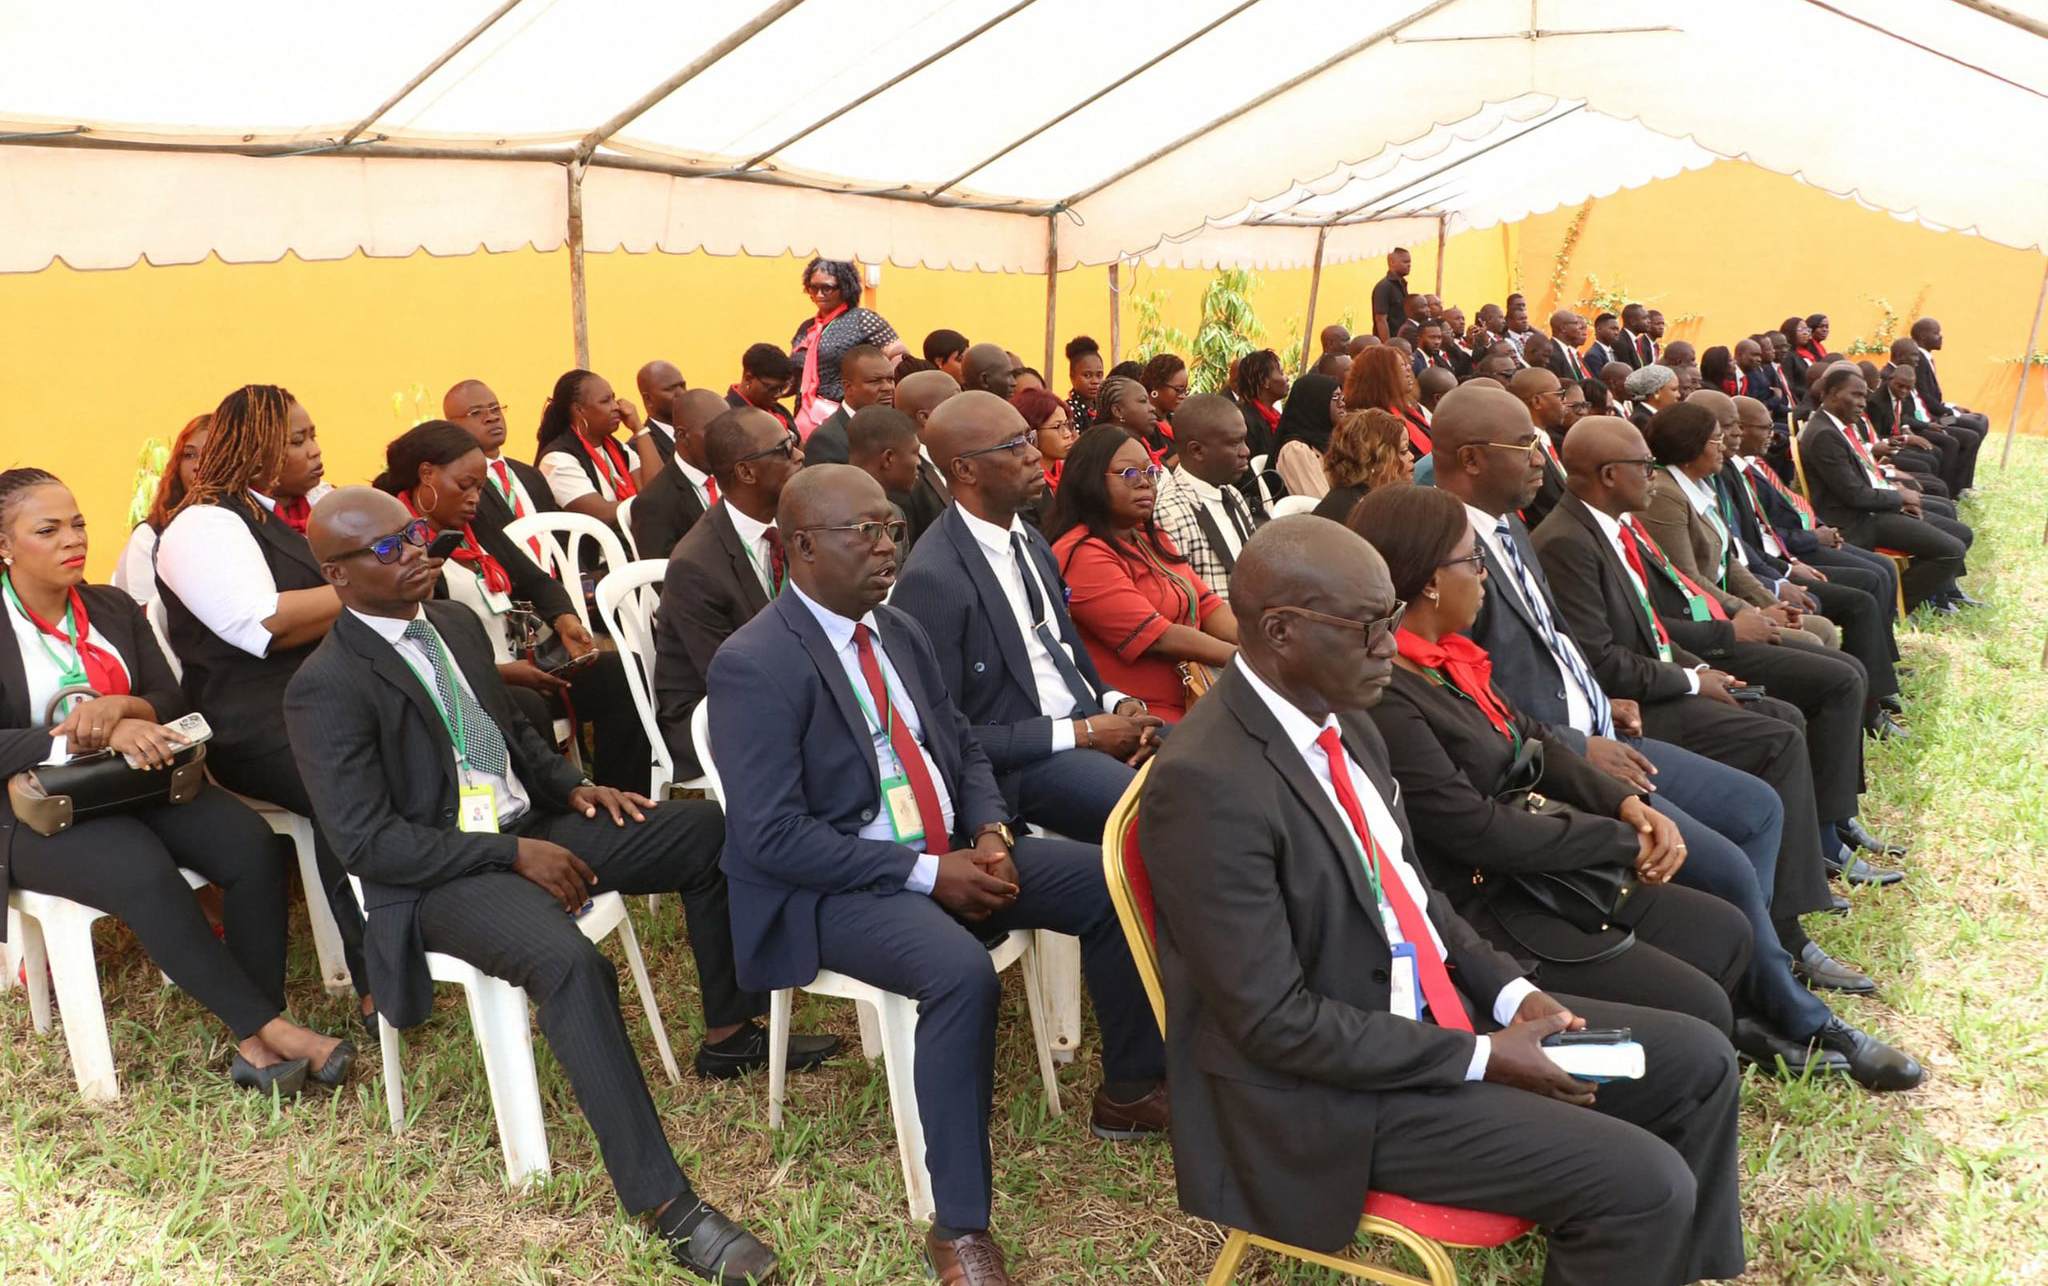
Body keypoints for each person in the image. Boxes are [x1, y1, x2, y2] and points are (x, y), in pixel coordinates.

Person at [1141, 515, 1748, 1286]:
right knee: (1643, 1184)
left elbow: (1415, 896)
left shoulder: (1346, 717)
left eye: (1389, 618)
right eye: (1366, 627)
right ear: (1280, 631)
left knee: (1699, 1061)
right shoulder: (1206, 784)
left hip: (1425, 1018)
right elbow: (1273, 1024)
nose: (1388, 645)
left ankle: (1677, 1270)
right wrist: (1482, 1057)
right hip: (1332, 1096)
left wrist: (1512, 994)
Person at [285, 487, 800, 1285]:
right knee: (569, 963)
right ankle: (667, 1205)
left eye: (415, 533)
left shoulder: (452, 621)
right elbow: (367, 841)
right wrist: (509, 853)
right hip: (437, 875)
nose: (417, 550)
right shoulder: (325, 684)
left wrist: (573, 787)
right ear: (337, 575)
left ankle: (729, 1033)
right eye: (388, 548)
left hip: (529, 825)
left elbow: (511, 732)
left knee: (708, 832)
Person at [707, 465, 1167, 1285]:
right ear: (802, 547)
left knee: (1114, 881)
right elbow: (772, 836)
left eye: (893, 529)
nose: (889, 547)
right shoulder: (754, 662)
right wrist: (926, 872)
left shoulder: (896, 630)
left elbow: (962, 745)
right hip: (837, 885)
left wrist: (989, 831)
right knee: (959, 973)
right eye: (866, 533)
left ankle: (1131, 1090)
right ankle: (959, 1228)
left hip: (950, 846)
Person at [1426, 385, 1909, 1081]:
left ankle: (1768, 959)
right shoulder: (1445, 553)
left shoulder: (1507, 532)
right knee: (1728, 864)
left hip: (1606, 726)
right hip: (1556, 763)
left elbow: (1561, 648)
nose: (1541, 459)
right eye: (1525, 446)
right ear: (1472, 458)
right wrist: (1576, 743)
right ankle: (1793, 1015)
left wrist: (1607, 700)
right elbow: (1475, 698)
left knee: (1756, 806)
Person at [1, 467, 355, 1098]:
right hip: (36, 808)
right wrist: (80, 737)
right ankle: (268, 1032)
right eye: (48, 530)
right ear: (5, 545)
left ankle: (257, 1026)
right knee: (141, 867)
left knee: (248, 845)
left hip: (135, 782)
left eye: (78, 524)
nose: (73, 539)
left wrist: (126, 709)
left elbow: (171, 698)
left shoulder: (110, 606)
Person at [1349, 484, 1754, 1029]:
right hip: (1495, 903)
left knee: (1725, 933)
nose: (1484, 574)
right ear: (1430, 582)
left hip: (1544, 862)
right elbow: (1475, 830)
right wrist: (1620, 840)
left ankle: (1741, 1033)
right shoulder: (1391, 697)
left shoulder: (1449, 660)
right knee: (1700, 1004)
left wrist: (1626, 804)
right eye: (1472, 560)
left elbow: (1531, 736)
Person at [1531, 417, 1907, 993]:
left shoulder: (1610, 526)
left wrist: (1700, 670)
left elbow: (1653, 628)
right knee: (1779, 733)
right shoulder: (1566, 541)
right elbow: (1602, 659)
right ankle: (1784, 931)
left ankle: (1804, 876)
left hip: (1664, 676)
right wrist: (1690, 677)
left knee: (1784, 716)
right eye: (1643, 466)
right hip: (1633, 706)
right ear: (1608, 475)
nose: (1652, 475)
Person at [153, 383, 369, 1016]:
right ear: (255, 451)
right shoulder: (201, 526)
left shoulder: (289, 510)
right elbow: (264, 625)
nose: (314, 449)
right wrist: (374, 582)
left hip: (328, 697)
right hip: (254, 721)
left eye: (313, 435)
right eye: (297, 440)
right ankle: (376, 974)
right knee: (346, 776)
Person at [893, 392, 1162, 841]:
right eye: (1015, 445)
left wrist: (1117, 703)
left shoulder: (1031, 541)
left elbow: (1066, 654)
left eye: (1030, 438)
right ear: (965, 470)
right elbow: (947, 733)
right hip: (1027, 764)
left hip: (1089, 725)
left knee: (1223, 768)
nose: (1035, 454)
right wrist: (1081, 733)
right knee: (1166, 811)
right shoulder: (933, 578)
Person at [375, 420, 653, 792]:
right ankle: (553, 805)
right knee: (524, 703)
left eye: (480, 487)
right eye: (464, 485)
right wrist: (503, 674)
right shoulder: (400, 544)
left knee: (622, 673)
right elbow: (424, 647)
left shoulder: (475, 525)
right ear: (427, 474)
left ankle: (625, 796)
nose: (474, 498)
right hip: (466, 683)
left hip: (525, 664)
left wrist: (567, 622)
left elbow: (535, 580)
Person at [1046, 428, 1236, 725]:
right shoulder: (1082, 553)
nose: (1145, 482)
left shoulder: (1148, 537)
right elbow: (1157, 637)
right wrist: (1244, 659)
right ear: (1089, 479)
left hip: (1195, 695)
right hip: (1140, 715)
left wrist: (1260, 645)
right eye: (1129, 473)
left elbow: (1207, 604)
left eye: (1150, 472)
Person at [653, 408, 804, 777]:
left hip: (785, 683)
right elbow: (728, 676)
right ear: (746, 472)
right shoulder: (695, 566)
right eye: (784, 449)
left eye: (794, 443)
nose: (799, 455)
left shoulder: (793, 521)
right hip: (714, 711)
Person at [1640, 402, 1842, 651]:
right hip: (1702, 620)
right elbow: (1688, 578)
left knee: (1821, 627)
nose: (1723, 447)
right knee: (1811, 641)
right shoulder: (1665, 495)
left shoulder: (1702, 484)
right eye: (1716, 440)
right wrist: (1755, 614)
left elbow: (1729, 561)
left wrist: (1771, 603)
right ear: (1689, 444)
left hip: (1725, 604)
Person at [1799, 365, 1972, 612]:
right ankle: (1896, 605)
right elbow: (1853, 495)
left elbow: (1862, 476)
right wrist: (1898, 497)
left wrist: (1895, 490)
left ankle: (1938, 593)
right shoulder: (1824, 434)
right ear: (1833, 393)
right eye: (1856, 395)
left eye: (1864, 396)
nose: (1863, 403)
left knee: (1961, 532)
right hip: (1855, 521)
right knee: (1952, 550)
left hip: (1871, 508)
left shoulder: (1839, 426)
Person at [1151, 394, 1260, 602]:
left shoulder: (1231, 493)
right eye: (1234, 443)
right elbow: (1183, 602)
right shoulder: (1169, 513)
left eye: (1244, 440)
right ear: (1197, 451)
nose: (1246, 451)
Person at [790, 257, 908, 434]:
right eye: (813, 287)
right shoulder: (806, 328)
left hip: (851, 418)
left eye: (827, 288)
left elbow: (900, 357)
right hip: (806, 417)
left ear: (845, 287)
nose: (819, 294)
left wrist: (884, 393)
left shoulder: (862, 319)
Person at [534, 368, 659, 527]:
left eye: (614, 398)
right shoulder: (557, 460)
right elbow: (602, 514)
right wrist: (651, 502)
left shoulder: (618, 448)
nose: (616, 406)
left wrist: (639, 428)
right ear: (579, 410)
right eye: (605, 401)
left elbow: (657, 487)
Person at [444, 381, 559, 552]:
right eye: (476, 412)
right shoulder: (459, 486)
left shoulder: (531, 475)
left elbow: (560, 534)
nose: (492, 417)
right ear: (452, 425)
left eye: (495, 408)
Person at [113, 412, 210, 603]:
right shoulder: (150, 537)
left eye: (211, 454)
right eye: (189, 455)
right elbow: (144, 614)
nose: (198, 465)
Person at [632, 388, 728, 560]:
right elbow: (662, 571)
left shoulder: (733, 475)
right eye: (713, 431)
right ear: (683, 436)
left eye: (727, 429)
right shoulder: (653, 503)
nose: (725, 439)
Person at [1903, 319, 1987, 492]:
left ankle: (1964, 482)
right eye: (1936, 333)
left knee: (1980, 420)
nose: (1941, 337)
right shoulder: (1918, 361)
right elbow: (1927, 399)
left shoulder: (1926, 359)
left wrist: (1952, 407)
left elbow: (1930, 397)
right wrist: (1954, 414)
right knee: (1974, 428)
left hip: (1935, 416)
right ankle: (1959, 485)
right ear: (1923, 336)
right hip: (1937, 420)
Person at [893, 369, 962, 548]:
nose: (966, 409)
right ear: (925, 417)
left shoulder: (963, 455)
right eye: (956, 402)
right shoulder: (903, 474)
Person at [801, 344, 896, 467]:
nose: (888, 387)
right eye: (875, 381)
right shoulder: (826, 441)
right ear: (848, 387)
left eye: (890, 379)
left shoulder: (898, 429)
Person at [1311, 409, 1412, 523]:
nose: (1412, 457)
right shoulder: (1352, 510)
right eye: (1403, 451)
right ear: (1375, 461)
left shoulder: (1377, 499)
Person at [1506, 368, 1571, 530]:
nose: (1565, 401)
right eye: (1559, 395)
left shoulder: (1547, 441)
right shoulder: (1524, 452)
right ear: (1537, 401)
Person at [1345, 345, 1433, 458]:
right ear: (1381, 375)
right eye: (1401, 366)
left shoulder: (1409, 409)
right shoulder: (1371, 424)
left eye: (1406, 365)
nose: (1408, 370)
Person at [1269, 373, 1344, 499]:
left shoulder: (1325, 442)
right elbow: (1320, 502)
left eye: (1342, 397)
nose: (1342, 404)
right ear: (1316, 402)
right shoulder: (1296, 450)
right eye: (1335, 397)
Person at [1007, 387, 1076, 497]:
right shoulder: (1024, 485)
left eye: (1067, 425)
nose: (1068, 434)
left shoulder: (1067, 473)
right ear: (1031, 433)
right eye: (1057, 426)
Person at [1095, 372, 1173, 465]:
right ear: (1118, 411)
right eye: (1143, 401)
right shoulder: (1112, 454)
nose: (1152, 408)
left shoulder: (1143, 447)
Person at [726, 343, 796, 434]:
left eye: (783, 388)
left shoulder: (780, 411)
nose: (778, 395)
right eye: (772, 388)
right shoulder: (728, 418)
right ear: (749, 379)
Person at [635, 360, 688, 466]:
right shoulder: (640, 447)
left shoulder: (698, 433)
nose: (681, 393)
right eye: (670, 389)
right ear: (648, 399)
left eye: (682, 386)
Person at [1139, 354, 1189, 440]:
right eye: (1178, 389)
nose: (1183, 396)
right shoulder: (1144, 427)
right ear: (1156, 385)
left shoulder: (1177, 423)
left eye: (1185, 391)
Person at [1063, 335, 1104, 432]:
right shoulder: (1067, 411)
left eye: (1099, 375)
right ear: (1072, 377)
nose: (1095, 381)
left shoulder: (1104, 409)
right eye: (1087, 375)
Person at [1370, 247, 1411, 340]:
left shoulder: (1402, 284)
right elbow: (1381, 320)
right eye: (1405, 262)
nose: (1409, 265)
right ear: (1392, 263)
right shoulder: (1384, 287)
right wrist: (1387, 344)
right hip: (1391, 341)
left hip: (1402, 340)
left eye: (1409, 262)